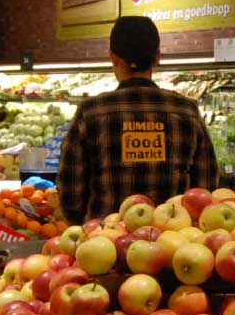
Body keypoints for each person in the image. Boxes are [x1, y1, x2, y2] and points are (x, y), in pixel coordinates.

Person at [56, 15, 218, 225]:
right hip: (173, 245)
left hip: (104, 243)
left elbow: (70, 189)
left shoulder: (91, 112)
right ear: (157, 57)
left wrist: (85, 227)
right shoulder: (186, 111)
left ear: (113, 56)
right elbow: (206, 185)